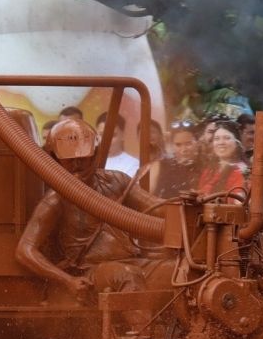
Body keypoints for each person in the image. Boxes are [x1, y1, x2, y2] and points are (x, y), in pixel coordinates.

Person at [14, 116, 165, 299]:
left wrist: (192, 206)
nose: (77, 165)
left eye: (83, 158)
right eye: (69, 160)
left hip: (133, 262)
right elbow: (25, 250)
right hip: (90, 272)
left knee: (177, 273)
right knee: (126, 275)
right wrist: (67, 280)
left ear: (95, 154)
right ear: (54, 159)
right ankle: (144, 329)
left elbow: (156, 207)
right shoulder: (55, 199)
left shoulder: (117, 180)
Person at [153, 122, 206, 198]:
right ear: (172, 146)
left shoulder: (207, 168)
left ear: (197, 143)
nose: (184, 150)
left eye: (188, 144)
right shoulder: (161, 166)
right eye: (178, 145)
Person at [198, 128, 248, 198]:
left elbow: (240, 202)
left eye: (227, 138)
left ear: (237, 143)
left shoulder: (244, 171)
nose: (221, 142)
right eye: (217, 139)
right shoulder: (209, 171)